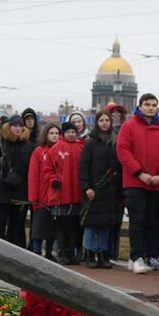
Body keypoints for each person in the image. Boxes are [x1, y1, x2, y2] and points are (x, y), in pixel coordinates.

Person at [117, 93, 159, 274]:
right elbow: (123, 152)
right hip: (135, 182)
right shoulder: (129, 126)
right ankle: (136, 257)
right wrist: (140, 173)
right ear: (140, 106)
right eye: (147, 104)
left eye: (154, 105)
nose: (151, 107)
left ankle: (145, 255)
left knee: (152, 221)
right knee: (137, 220)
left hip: (155, 182)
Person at [79, 110, 122, 268]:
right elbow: (83, 168)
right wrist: (87, 188)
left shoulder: (115, 141)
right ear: (97, 123)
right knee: (91, 225)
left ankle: (102, 254)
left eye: (107, 120)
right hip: (93, 191)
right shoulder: (90, 142)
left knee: (105, 224)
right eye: (101, 120)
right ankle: (90, 253)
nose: (105, 123)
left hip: (110, 190)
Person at [0, 115, 34, 247]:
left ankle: (12, 248)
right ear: (9, 127)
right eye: (15, 125)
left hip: (20, 189)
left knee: (16, 222)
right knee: (0, 220)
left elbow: (30, 169)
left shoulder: (28, 146)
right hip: (2, 188)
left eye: (20, 126)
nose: (18, 128)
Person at [47, 123, 85, 264]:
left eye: (73, 131)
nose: (71, 134)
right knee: (62, 225)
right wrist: (53, 180)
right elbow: (48, 169)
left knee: (75, 225)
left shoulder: (81, 147)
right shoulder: (56, 148)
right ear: (64, 133)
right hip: (61, 194)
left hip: (77, 194)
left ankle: (71, 251)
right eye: (68, 131)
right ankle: (62, 252)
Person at [28, 123, 61, 259]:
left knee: (52, 226)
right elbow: (33, 174)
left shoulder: (61, 150)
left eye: (56, 133)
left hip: (55, 195)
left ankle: (48, 251)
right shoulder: (39, 151)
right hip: (41, 195)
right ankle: (36, 249)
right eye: (51, 133)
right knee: (39, 225)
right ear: (46, 135)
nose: (54, 136)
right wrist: (34, 195)